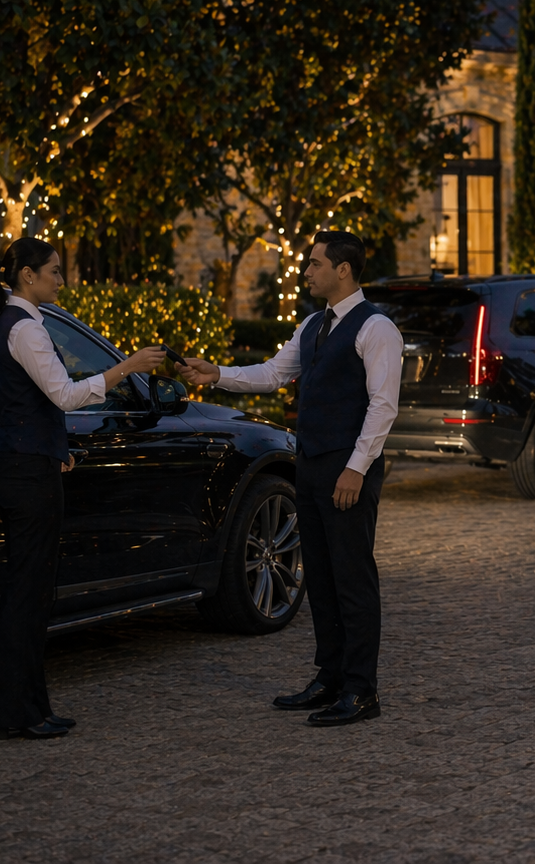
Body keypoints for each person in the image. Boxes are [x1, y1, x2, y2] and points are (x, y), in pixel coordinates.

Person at [177, 230, 401, 727]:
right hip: (313, 464)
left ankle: (362, 690)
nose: (307, 272)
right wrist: (218, 375)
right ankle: (330, 677)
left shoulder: (377, 328)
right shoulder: (312, 325)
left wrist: (355, 469)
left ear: (343, 269)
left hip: (349, 470)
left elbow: (383, 407)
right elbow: (274, 373)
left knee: (353, 579)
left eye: (315, 264)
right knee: (319, 578)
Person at [0, 237, 168, 740]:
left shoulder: (9, 323)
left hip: (23, 463)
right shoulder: (25, 329)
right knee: (28, 594)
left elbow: (5, 407)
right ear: (27, 277)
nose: (62, 280)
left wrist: (50, 447)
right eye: (55, 272)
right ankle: (20, 713)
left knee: (31, 592)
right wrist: (127, 366)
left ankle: (30, 707)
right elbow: (64, 395)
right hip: (25, 473)